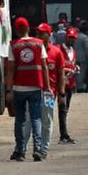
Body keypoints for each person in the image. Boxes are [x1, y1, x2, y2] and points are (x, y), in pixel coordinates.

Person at [5, 17, 47, 161]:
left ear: (16, 31)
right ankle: (38, 148)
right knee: (36, 117)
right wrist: (47, 86)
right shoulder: (39, 44)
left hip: (19, 88)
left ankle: (20, 151)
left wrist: (8, 90)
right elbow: (44, 66)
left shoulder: (13, 45)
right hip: (36, 86)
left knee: (20, 120)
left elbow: (10, 69)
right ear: (28, 29)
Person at [38, 22, 65, 158]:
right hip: (35, 92)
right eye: (38, 33)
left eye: (42, 33)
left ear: (49, 35)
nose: (39, 36)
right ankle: (35, 147)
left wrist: (61, 93)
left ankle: (44, 149)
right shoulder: (35, 51)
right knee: (32, 121)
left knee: (47, 120)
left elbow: (61, 74)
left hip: (49, 93)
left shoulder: (57, 52)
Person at [58, 27, 79, 143]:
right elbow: (58, 67)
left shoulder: (73, 52)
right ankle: (64, 135)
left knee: (65, 109)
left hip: (70, 84)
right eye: (70, 38)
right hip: (62, 85)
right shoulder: (59, 50)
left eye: (73, 38)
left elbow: (72, 65)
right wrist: (66, 69)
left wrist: (75, 68)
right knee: (63, 109)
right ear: (66, 37)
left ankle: (64, 134)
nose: (72, 40)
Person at [74, 20, 88, 92]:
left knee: (77, 72)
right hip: (83, 58)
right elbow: (86, 48)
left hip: (75, 57)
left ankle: (77, 86)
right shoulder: (85, 37)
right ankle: (80, 87)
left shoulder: (75, 36)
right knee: (82, 72)